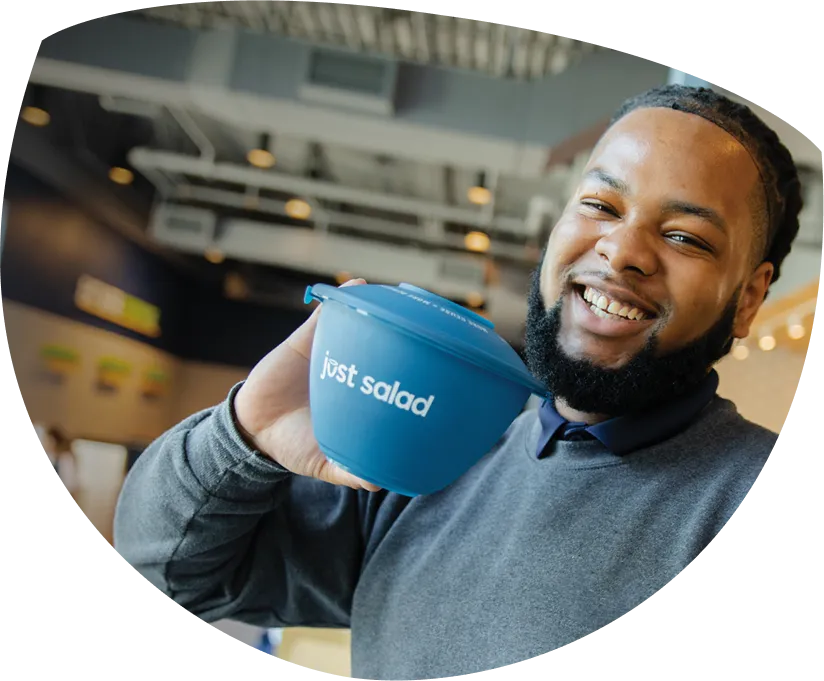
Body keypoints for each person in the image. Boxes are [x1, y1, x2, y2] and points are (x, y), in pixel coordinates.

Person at [113, 85, 803, 680]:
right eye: (600, 204)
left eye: (686, 237)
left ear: (748, 298)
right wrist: (243, 437)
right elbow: (170, 572)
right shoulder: (439, 449)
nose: (622, 250)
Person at [42, 426, 79, 495]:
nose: (44, 443)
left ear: (53, 441)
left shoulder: (66, 458)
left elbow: (69, 484)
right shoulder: (51, 456)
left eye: (46, 440)